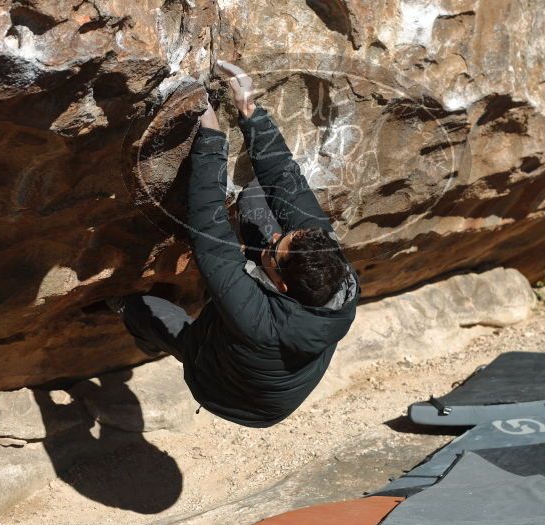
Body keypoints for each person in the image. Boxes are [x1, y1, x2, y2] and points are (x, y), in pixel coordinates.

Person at [108, 60, 360, 428]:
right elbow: (287, 181)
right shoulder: (332, 270)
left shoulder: (254, 320)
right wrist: (249, 111)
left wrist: (210, 139)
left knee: (146, 309)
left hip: (229, 391)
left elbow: (208, 231)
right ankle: (249, 272)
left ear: (283, 287)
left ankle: (135, 324)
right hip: (275, 344)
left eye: (274, 250)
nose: (275, 237)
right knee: (260, 197)